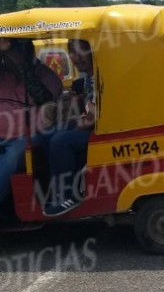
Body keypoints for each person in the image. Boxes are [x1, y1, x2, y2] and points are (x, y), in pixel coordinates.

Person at [0, 39, 62, 214]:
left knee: (12, 156)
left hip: (30, 139)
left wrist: (14, 55)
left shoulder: (48, 77)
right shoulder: (3, 75)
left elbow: (43, 97)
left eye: (15, 53)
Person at [43, 39, 95, 217]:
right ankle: (55, 189)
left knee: (61, 141)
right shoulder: (87, 76)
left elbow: (92, 118)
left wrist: (81, 122)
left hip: (104, 131)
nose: (76, 57)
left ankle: (66, 196)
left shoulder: (100, 75)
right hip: (94, 123)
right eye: (72, 51)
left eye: (82, 51)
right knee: (52, 133)